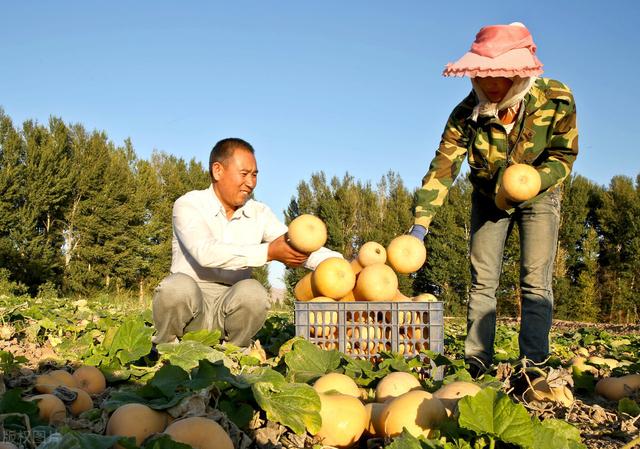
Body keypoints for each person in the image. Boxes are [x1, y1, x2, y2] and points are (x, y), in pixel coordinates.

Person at [409, 22, 578, 375]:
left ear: (519, 73)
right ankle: (476, 363)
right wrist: (420, 226)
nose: (490, 82)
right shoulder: (465, 115)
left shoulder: (556, 98)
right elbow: (443, 169)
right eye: (483, 74)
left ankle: (534, 365)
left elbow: (564, 155)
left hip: (539, 197)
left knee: (535, 281)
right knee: (482, 281)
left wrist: (535, 179)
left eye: (499, 74)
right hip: (488, 198)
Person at [152, 137, 341, 348]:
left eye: (254, 175)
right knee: (176, 287)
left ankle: (234, 352)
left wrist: (344, 265)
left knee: (253, 292)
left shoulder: (259, 213)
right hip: (192, 303)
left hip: (231, 305)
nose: (250, 183)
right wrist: (268, 252)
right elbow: (204, 252)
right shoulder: (188, 205)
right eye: (244, 174)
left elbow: (296, 245)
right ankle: (168, 349)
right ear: (218, 171)